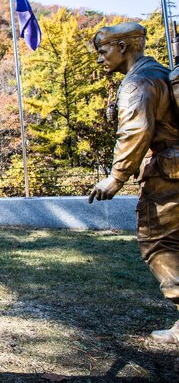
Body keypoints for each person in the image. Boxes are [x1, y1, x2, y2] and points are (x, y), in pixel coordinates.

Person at [89, 22, 179, 343]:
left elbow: (134, 132)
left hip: (169, 172)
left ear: (124, 47)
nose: (100, 59)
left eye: (103, 51)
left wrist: (116, 177)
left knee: (158, 243)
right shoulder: (159, 71)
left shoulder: (136, 83)